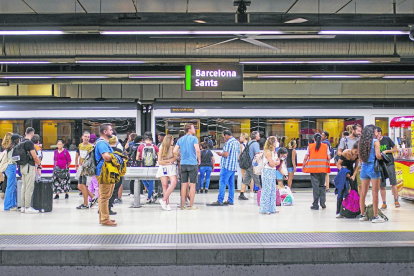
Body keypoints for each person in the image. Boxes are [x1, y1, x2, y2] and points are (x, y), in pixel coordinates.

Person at [358, 125, 384, 223]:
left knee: (363, 193)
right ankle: (375, 216)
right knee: (375, 193)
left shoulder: (361, 142)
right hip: (373, 168)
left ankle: (362, 214)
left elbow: (360, 156)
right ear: (372, 132)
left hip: (364, 168)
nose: (377, 133)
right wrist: (382, 156)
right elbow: (378, 155)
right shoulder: (375, 142)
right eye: (376, 131)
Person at [173, 123, 200, 210]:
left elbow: (174, 150)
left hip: (183, 164)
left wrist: (178, 157)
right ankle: (191, 205)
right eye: (193, 128)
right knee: (192, 185)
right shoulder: (194, 138)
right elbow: (197, 150)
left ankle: (183, 205)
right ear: (189, 129)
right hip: (192, 164)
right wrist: (199, 159)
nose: (194, 130)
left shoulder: (180, 139)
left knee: (183, 184)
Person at [95, 123, 116, 227]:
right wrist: (117, 157)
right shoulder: (102, 144)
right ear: (105, 132)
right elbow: (106, 157)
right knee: (104, 196)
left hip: (106, 172)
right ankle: (104, 219)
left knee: (106, 196)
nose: (112, 132)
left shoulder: (104, 143)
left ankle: (104, 217)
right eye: (110, 130)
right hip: (104, 173)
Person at [212, 130, 240, 206]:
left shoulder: (228, 143)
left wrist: (220, 154)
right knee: (231, 184)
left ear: (226, 135)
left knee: (222, 183)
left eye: (223, 136)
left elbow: (226, 154)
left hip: (227, 166)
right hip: (233, 166)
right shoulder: (237, 142)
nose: (223, 138)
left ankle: (220, 200)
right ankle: (230, 200)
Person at [303, 133, 331, 210]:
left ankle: (315, 205)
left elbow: (306, 157)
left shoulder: (310, 146)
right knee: (322, 186)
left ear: (314, 139)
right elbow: (329, 157)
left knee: (316, 187)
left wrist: (304, 165)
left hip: (313, 170)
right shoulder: (326, 146)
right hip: (323, 169)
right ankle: (323, 203)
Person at [376, 127, 400, 209]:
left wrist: (386, 151)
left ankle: (396, 200)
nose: (377, 135)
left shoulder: (387, 139)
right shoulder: (374, 142)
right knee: (382, 185)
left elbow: (395, 149)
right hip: (380, 165)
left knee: (393, 182)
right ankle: (384, 203)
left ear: (380, 133)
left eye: (378, 133)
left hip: (389, 163)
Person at [19, 127, 42, 214]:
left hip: (23, 167)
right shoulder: (29, 143)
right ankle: (28, 207)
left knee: (24, 187)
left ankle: (23, 207)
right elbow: (34, 156)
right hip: (29, 166)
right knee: (29, 187)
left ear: (25, 133)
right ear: (32, 133)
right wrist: (39, 164)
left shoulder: (22, 142)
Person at [336, 143, 359, 218]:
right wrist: (344, 172)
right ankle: (339, 211)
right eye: (355, 151)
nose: (356, 153)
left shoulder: (357, 155)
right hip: (343, 171)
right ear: (352, 148)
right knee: (341, 192)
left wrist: (353, 176)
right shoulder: (346, 152)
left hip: (351, 171)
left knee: (354, 191)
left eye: (358, 152)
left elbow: (356, 166)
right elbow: (338, 164)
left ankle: (355, 210)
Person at [75, 131, 97, 210]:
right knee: (80, 186)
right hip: (81, 168)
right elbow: (77, 155)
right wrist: (76, 164)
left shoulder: (91, 147)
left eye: (88, 137)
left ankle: (85, 203)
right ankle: (92, 197)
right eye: (85, 136)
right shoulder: (80, 146)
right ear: (82, 137)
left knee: (83, 185)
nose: (87, 138)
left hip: (87, 168)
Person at [259, 136, 281, 214]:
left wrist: (275, 162)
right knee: (266, 190)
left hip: (272, 171)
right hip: (267, 171)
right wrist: (276, 162)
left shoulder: (274, 152)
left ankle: (272, 208)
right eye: (276, 141)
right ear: (273, 143)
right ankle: (264, 209)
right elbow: (272, 163)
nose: (277, 142)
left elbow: (277, 162)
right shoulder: (267, 152)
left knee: (272, 190)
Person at [156, 134, 178, 211]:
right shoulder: (161, 148)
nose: (173, 141)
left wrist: (166, 161)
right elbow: (159, 161)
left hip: (171, 168)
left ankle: (163, 199)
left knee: (174, 182)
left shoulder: (173, 148)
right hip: (163, 168)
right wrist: (169, 162)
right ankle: (167, 204)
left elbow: (175, 158)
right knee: (164, 185)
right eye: (172, 140)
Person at [239, 131, 261, 200]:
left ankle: (241, 194)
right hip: (252, 164)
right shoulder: (255, 144)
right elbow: (257, 154)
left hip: (247, 164)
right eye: (258, 135)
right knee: (257, 179)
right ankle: (263, 193)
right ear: (256, 137)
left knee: (245, 179)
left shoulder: (249, 143)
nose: (259, 136)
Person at [137, 136, 159, 203]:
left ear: (144, 140)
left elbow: (137, 158)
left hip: (143, 166)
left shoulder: (140, 147)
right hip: (152, 166)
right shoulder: (155, 147)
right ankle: (149, 196)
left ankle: (151, 193)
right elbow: (158, 157)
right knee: (151, 180)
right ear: (151, 141)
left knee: (143, 179)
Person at [3, 134, 20, 211]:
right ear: (17, 140)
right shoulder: (14, 148)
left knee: (14, 186)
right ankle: (7, 206)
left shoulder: (10, 147)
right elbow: (14, 159)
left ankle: (14, 204)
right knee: (10, 187)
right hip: (11, 167)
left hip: (8, 167)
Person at [108, 136, 123, 215]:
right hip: (117, 173)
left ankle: (102, 207)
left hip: (107, 173)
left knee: (106, 191)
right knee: (114, 191)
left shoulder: (106, 151)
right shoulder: (119, 151)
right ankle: (109, 207)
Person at [1, 132, 12, 200]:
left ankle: (3, 192)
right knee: (9, 182)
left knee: (6, 178)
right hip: (9, 165)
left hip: (4, 165)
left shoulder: (3, 145)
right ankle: (7, 198)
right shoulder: (11, 146)